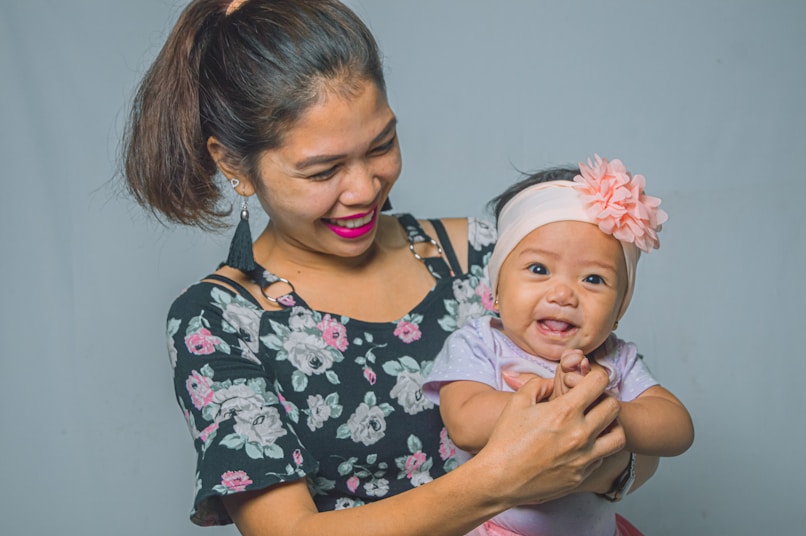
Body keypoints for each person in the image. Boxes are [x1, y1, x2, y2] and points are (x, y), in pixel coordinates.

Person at [122, 1, 657, 534]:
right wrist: (505, 479)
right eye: (322, 170)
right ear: (234, 165)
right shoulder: (219, 322)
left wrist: (597, 462)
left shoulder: (483, 254)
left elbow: (636, 433)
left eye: (381, 145)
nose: (364, 189)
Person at [424, 157, 695, 536]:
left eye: (593, 278)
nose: (564, 294)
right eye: (539, 269)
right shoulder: (480, 343)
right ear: (497, 287)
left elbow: (678, 428)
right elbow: (466, 423)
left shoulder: (615, 358)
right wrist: (557, 407)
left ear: (620, 308)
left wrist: (602, 411)